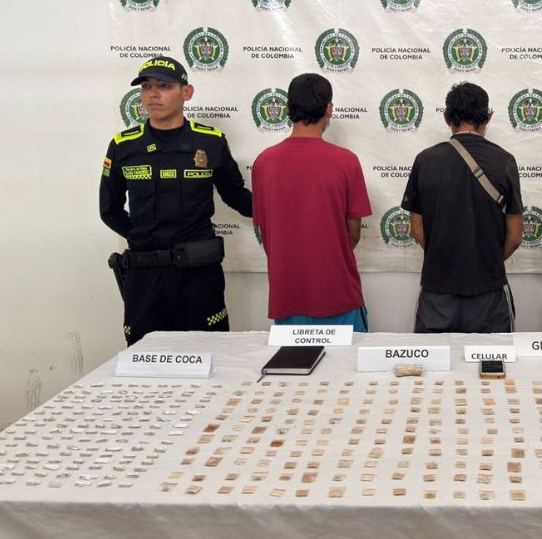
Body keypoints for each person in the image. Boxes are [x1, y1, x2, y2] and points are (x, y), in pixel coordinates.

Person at [100, 56, 252, 345]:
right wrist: (143, 238)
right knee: (145, 359)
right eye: (146, 87)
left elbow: (236, 196)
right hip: (144, 276)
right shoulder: (123, 146)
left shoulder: (210, 142)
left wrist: (284, 209)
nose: (153, 94)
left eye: (164, 86)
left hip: (199, 275)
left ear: (187, 92)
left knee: (210, 352)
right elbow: (109, 210)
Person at [251, 73, 371, 330]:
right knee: (347, 357)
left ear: (287, 107)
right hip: (338, 295)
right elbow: (353, 234)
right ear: (329, 109)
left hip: (286, 296)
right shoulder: (347, 162)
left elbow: (265, 232)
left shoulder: (263, 162)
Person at [401, 82, 523, 333]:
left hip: (436, 295)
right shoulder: (505, 161)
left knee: (434, 360)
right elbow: (515, 236)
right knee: (494, 360)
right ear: (488, 116)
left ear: (447, 118)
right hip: (489, 295)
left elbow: (416, 227)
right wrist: (482, 262)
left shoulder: (424, 160)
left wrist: (446, 258)